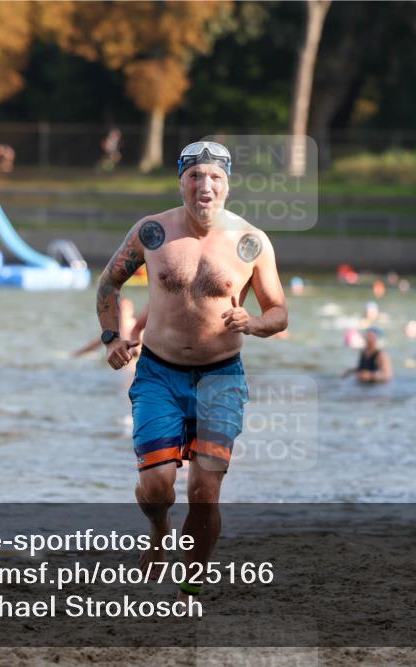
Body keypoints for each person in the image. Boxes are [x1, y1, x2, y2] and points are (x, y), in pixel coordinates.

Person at [95, 140, 287, 600]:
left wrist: (255, 322)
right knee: (157, 487)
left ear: (227, 184)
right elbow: (109, 283)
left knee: (205, 489)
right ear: (181, 181)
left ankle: (191, 581)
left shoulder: (251, 242)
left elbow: (279, 310)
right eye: (195, 176)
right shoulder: (152, 232)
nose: (205, 186)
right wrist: (112, 338)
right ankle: (159, 531)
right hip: (159, 374)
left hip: (220, 376)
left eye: (215, 177)